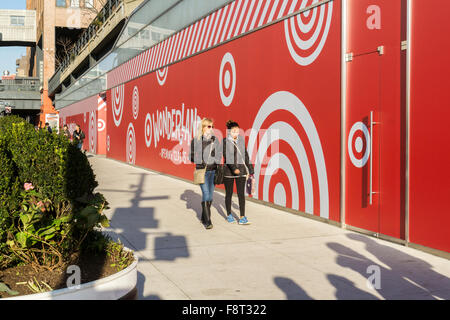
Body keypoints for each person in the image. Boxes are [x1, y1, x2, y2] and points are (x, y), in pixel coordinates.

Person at [190, 118, 221, 229]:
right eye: (209, 126)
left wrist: (217, 162)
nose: (211, 129)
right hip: (202, 171)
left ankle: (203, 216)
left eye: (212, 126)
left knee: (210, 195)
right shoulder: (196, 140)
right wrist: (200, 159)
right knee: (206, 194)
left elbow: (219, 153)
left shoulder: (214, 140)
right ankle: (208, 221)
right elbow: (191, 156)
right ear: (203, 127)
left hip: (213, 171)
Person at [223, 120, 254, 225]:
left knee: (241, 195)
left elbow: (245, 155)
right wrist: (233, 168)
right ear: (229, 132)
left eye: (237, 131)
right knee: (229, 194)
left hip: (241, 171)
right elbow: (227, 157)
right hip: (229, 173)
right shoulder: (225, 142)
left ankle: (242, 217)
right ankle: (229, 215)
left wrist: (250, 169)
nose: (236, 133)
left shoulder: (240, 140)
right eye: (233, 131)